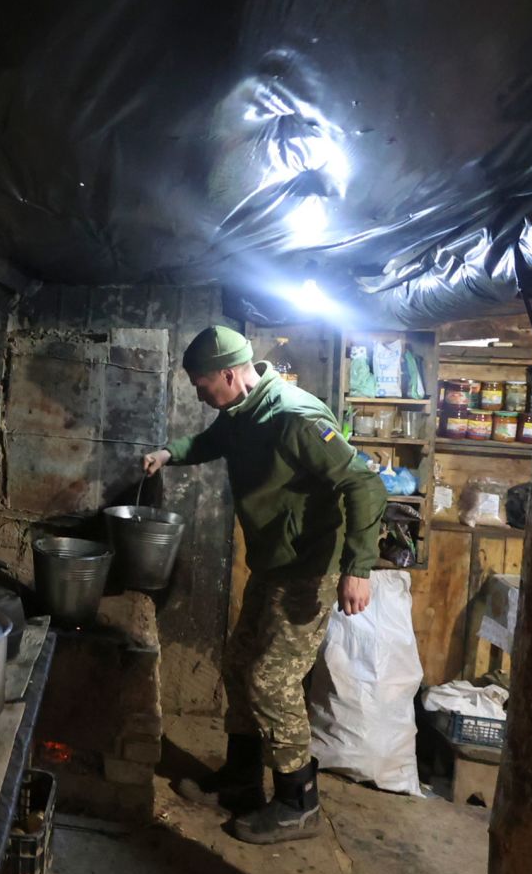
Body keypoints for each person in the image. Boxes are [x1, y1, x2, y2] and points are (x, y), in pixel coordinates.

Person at [145, 325, 385, 844]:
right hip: (275, 564)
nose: (199, 392)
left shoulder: (294, 419)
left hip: (310, 569)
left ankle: (299, 800)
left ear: (230, 374)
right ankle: (240, 779)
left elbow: (364, 482)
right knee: (239, 664)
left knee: (270, 680)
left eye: (202, 384)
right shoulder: (240, 412)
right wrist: (171, 452)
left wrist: (359, 567)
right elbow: (212, 440)